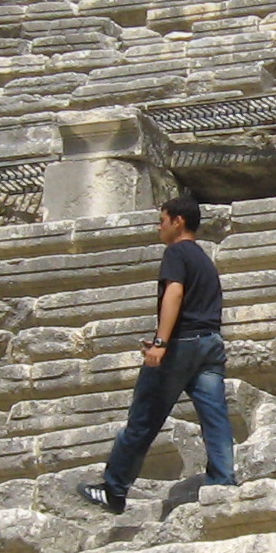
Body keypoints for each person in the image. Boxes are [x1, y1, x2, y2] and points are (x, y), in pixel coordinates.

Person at [78, 194, 236, 515]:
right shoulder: (205, 260)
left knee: (143, 417)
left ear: (178, 221)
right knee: (215, 417)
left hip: (182, 344)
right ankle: (224, 482)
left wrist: (161, 343)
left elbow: (174, 293)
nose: (158, 227)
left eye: (162, 221)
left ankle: (114, 489)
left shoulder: (176, 253)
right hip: (210, 344)